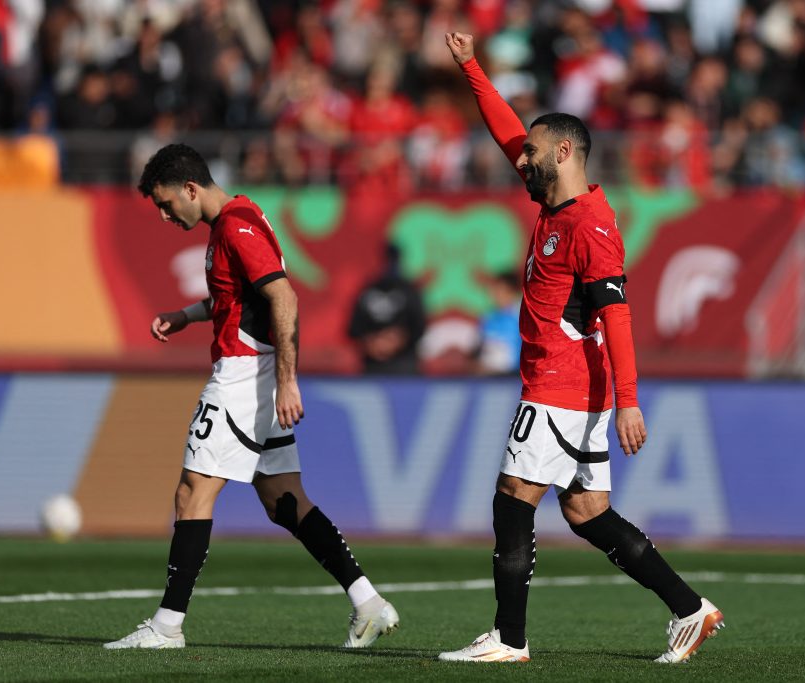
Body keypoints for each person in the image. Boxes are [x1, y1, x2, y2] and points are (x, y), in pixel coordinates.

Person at [438, 32, 724, 665]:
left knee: (513, 498)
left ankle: (508, 640)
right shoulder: (552, 202)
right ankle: (689, 608)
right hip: (574, 385)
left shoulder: (589, 226)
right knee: (588, 510)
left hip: (561, 383)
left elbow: (616, 316)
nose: (522, 158)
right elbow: (507, 130)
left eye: (534, 151)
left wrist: (630, 401)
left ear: (563, 152)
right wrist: (470, 67)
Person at [103, 144, 399, 650]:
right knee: (284, 501)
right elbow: (236, 296)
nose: (164, 214)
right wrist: (187, 315)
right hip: (256, 375)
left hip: (244, 378)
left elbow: (283, 295)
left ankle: (167, 625)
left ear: (191, 189)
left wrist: (286, 380)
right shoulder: (234, 221)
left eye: (166, 202)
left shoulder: (236, 225)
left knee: (192, 490)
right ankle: (369, 602)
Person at [347, 242, 426, 374]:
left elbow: (420, 327)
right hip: (372, 366)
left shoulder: (409, 291)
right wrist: (372, 342)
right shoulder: (369, 290)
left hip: (404, 366)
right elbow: (353, 329)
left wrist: (397, 340)